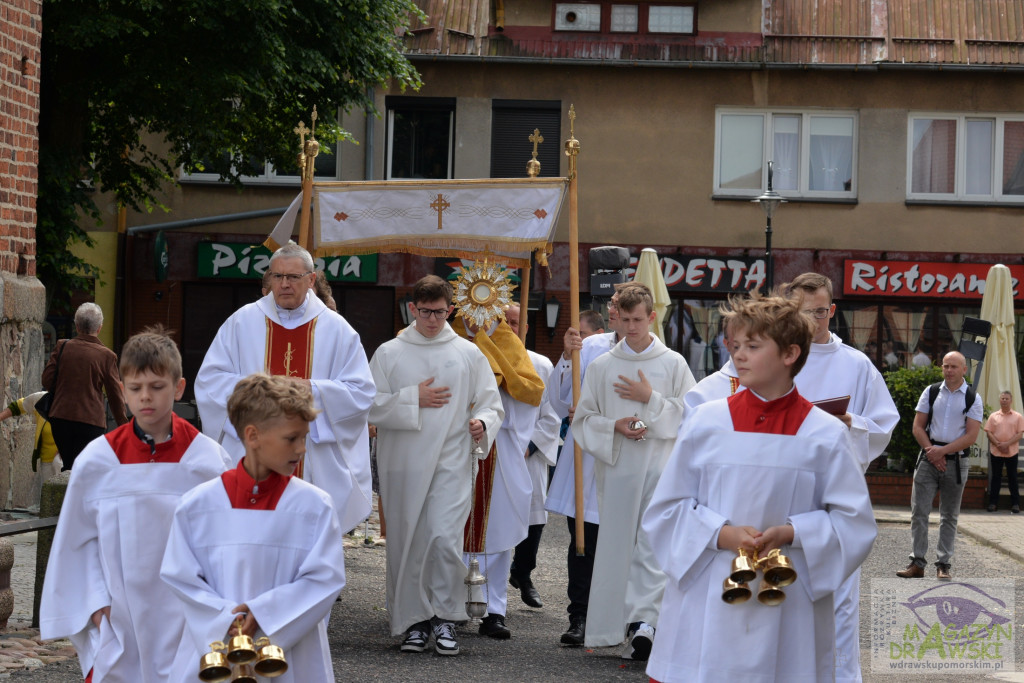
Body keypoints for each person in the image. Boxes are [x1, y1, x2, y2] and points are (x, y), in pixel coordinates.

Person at [642, 293, 876, 683]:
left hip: (788, 595)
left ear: (790, 354)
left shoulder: (826, 434)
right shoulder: (706, 423)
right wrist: (720, 534)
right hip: (710, 591)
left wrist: (794, 532)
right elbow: (666, 509)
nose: (739, 355)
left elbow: (854, 523)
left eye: (753, 346)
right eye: (736, 346)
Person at [39, 328, 230, 683]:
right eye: (136, 388)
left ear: (178, 387)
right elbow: (76, 544)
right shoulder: (98, 461)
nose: (147, 398)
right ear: (122, 390)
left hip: (187, 611)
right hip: (119, 611)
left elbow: (226, 544)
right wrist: (95, 605)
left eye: (157, 387)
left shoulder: (208, 460)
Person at [160, 374, 345, 683]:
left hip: (291, 657)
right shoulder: (198, 505)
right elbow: (181, 578)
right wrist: (224, 619)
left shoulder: (314, 507)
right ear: (253, 435)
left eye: (304, 437)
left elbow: (325, 579)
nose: (302, 448)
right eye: (291, 438)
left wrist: (265, 614)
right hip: (215, 650)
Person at [195, 243, 376, 533]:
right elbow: (210, 381)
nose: (284, 284)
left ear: (311, 279)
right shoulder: (242, 321)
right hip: (252, 449)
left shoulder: (337, 329)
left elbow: (361, 392)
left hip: (310, 457)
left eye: (293, 277)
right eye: (277, 277)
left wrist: (311, 389)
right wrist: (260, 392)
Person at [367, 275, 503, 656]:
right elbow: (368, 404)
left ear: (451, 310)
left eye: (440, 313)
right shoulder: (390, 352)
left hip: (452, 459)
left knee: (444, 538)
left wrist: (482, 423)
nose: (432, 320)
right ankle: (414, 623)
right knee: (408, 541)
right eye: (425, 312)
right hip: (404, 463)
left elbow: (491, 404)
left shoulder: (468, 353)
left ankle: (445, 617)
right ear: (412, 309)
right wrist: (414, 398)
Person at [782, 272, 900, 682]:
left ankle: (840, 677)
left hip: (837, 495)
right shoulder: (779, 355)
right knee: (785, 591)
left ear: (831, 310)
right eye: (803, 311)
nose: (813, 320)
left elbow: (884, 424)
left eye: (819, 311)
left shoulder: (856, 364)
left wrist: (852, 423)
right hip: (785, 491)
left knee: (840, 598)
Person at [573, 283, 695, 659]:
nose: (631, 328)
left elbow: (691, 417)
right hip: (619, 469)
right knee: (616, 547)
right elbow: (582, 420)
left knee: (652, 545)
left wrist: (650, 401)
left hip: (661, 467)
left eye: (638, 320)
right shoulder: (602, 365)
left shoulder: (673, 363)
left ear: (652, 317)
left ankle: (646, 623)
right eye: (624, 320)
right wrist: (615, 426)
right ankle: (615, 625)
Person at [454, 299, 545, 640]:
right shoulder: (450, 340)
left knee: (498, 531)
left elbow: (530, 396)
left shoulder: (513, 349)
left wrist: (499, 389)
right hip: (456, 446)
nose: (483, 317)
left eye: (492, 310)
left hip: (501, 449)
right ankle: (454, 603)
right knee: (453, 526)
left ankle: (494, 610)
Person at [546, 300, 617, 646]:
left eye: (628, 310)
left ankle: (619, 619)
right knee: (583, 543)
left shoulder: (660, 353)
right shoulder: (590, 347)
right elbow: (560, 402)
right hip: (587, 458)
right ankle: (580, 615)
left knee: (621, 545)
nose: (619, 315)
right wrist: (566, 357)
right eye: (617, 308)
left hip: (627, 458)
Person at [897, 350, 982, 580]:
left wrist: (942, 452)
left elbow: (971, 436)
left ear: (964, 369)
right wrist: (931, 452)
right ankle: (917, 563)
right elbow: (917, 427)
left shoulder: (973, 398)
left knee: (949, 515)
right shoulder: (931, 391)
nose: (949, 370)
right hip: (928, 456)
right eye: (945, 366)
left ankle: (943, 564)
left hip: (956, 461)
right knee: (919, 512)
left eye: (954, 366)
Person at [505, 303, 561, 610]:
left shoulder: (541, 365)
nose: (511, 327)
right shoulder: (484, 359)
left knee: (534, 515)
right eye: (506, 322)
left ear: (525, 328)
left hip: (530, 454)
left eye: (517, 323)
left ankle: (523, 573)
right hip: (496, 452)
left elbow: (551, 415)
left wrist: (529, 447)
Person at [41, 302, 128, 470]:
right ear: (100, 328)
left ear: (77, 325)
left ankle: (65, 493)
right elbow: (115, 395)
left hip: (60, 417)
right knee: (85, 468)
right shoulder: (107, 356)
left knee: (68, 465)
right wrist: (124, 426)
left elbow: (47, 380)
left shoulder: (62, 346)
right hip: (91, 421)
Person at [0, 391, 61, 508]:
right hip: (47, 461)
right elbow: (18, 406)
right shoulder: (41, 399)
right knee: (50, 504)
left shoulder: (76, 403)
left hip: (69, 459)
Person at [985, 390, 1024, 513]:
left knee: (1012, 477)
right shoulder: (993, 416)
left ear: (1011, 400)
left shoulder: (1018, 416)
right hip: (996, 451)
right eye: (1002, 398)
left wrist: (1007, 444)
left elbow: (1020, 434)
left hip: (1011, 451)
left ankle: (1016, 504)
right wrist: (998, 444)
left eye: (1007, 398)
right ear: (999, 400)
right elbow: (988, 432)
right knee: (996, 477)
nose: (1004, 400)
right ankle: (992, 504)